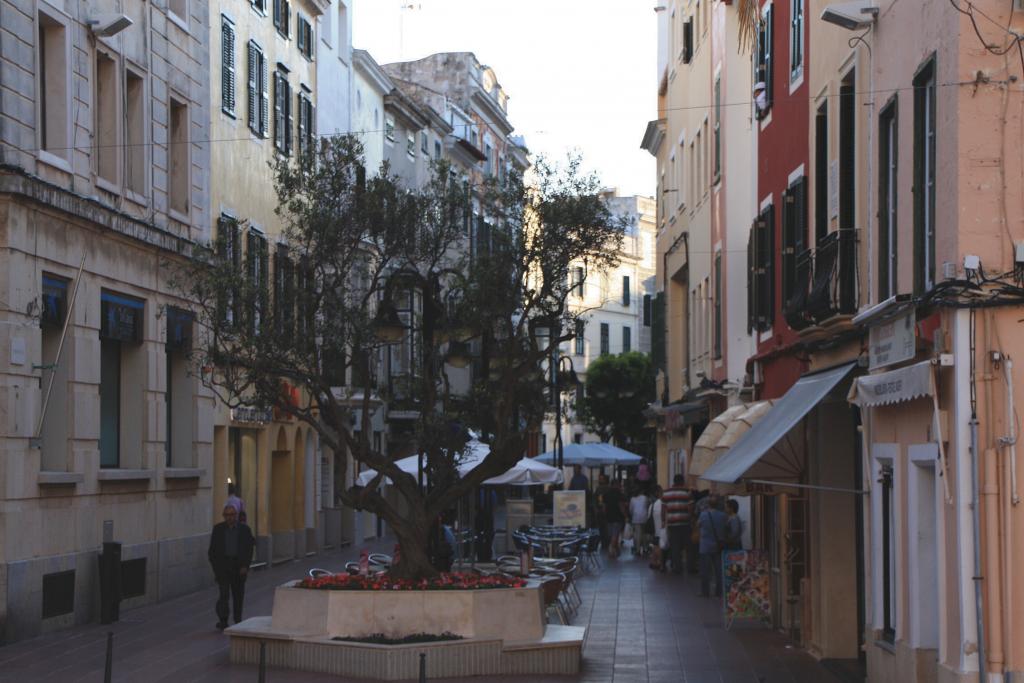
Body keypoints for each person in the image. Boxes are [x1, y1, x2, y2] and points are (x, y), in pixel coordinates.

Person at [208, 504, 255, 630]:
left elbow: (249, 549)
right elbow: (212, 551)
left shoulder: (244, 530)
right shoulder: (218, 529)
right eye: (227, 515)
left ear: (236, 516)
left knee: (238, 595)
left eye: (232, 515)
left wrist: (245, 565)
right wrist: (216, 569)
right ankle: (223, 620)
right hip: (223, 567)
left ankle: (238, 619)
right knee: (223, 595)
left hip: (238, 567)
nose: (230, 518)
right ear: (224, 516)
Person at [697, 496, 729, 597]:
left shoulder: (703, 515)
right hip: (718, 546)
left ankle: (705, 592)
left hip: (705, 546)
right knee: (718, 570)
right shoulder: (723, 516)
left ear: (708, 504)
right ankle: (718, 592)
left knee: (705, 571)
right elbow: (726, 528)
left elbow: (698, 525)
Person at [661, 474, 694, 574]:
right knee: (689, 547)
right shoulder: (687, 492)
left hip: (672, 524)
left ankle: (677, 568)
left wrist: (663, 521)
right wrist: (691, 519)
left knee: (675, 546)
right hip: (685, 523)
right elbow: (690, 509)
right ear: (682, 481)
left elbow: (663, 510)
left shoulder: (666, 493)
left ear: (673, 481)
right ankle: (690, 568)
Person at [603, 479, 627, 558]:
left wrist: (605, 515)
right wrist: (625, 515)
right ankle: (611, 550)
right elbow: (621, 506)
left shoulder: (606, 494)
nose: (619, 486)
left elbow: (604, 507)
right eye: (618, 485)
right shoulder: (619, 494)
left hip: (609, 517)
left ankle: (616, 550)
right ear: (616, 485)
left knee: (612, 535)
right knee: (615, 535)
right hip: (617, 517)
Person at [628, 487, 649, 556]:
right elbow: (647, 506)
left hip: (636, 518)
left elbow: (630, 509)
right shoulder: (645, 497)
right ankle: (645, 548)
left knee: (637, 534)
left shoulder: (632, 499)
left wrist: (631, 515)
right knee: (644, 533)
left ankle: (637, 549)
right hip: (644, 517)